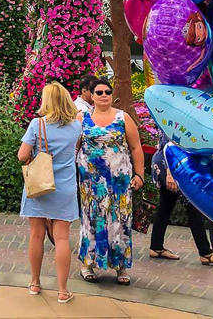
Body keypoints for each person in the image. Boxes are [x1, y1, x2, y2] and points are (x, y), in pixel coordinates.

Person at [17, 82, 82, 304]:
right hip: (65, 187)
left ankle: (35, 282)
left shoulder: (37, 125)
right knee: (62, 237)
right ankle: (63, 290)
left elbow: (21, 154)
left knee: (36, 234)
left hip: (39, 184)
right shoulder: (76, 127)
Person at [77, 78, 145, 286]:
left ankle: (121, 266)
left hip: (119, 181)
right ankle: (87, 263)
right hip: (90, 183)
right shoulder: (82, 117)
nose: (104, 95)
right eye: (99, 92)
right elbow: (73, 146)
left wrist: (139, 175)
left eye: (107, 91)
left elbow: (136, 148)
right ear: (91, 95)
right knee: (91, 219)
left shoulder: (122, 118)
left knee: (120, 220)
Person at [150, 133, 213, 265]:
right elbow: (170, 142)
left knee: (166, 204)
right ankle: (206, 253)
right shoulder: (177, 115)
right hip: (171, 164)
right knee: (193, 206)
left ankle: (156, 246)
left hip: (173, 163)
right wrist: (171, 173)